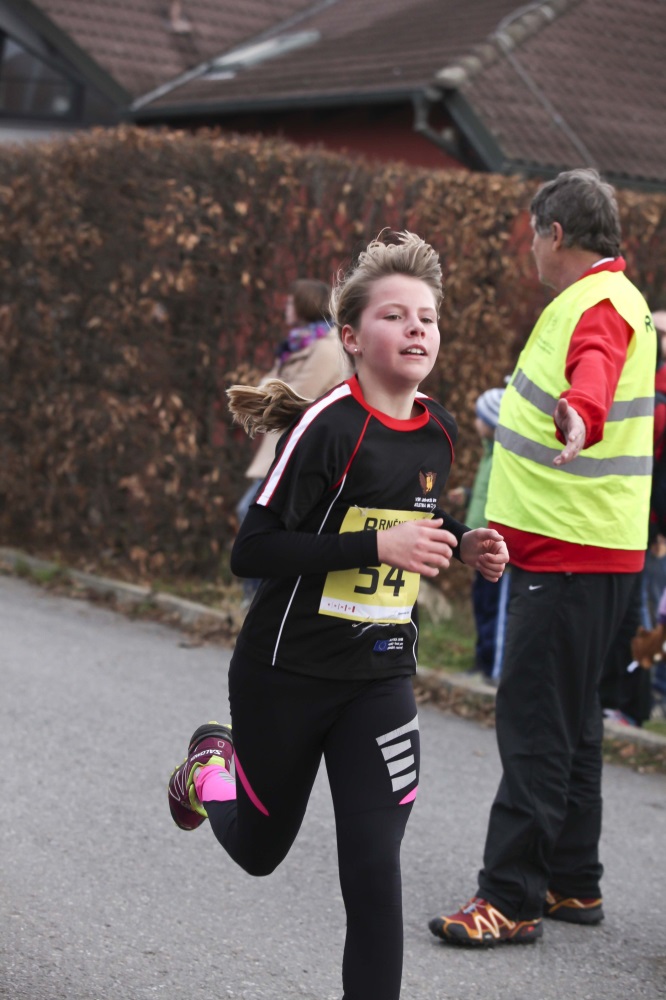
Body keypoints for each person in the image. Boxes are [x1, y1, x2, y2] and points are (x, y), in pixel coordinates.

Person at [167, 231, 509, 1000]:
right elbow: (252, 550)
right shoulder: (328, 426)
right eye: (396, 315)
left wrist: (463, 542)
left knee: (373, 864)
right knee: (259, 850)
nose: (418, 328)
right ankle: (210, 770)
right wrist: (377, 546)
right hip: (286, 672)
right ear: (352, 337)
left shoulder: (440, 430)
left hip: (378, 676)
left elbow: (412, 518)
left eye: (428, 317)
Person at [429, 168, 656, 947]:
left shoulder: (596, 305)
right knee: (575, 723)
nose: (529, 249)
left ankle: (510, 897)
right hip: (596, 549)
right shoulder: (620, 296)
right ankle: (570, 880)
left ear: (556, 233)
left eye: (533, 235)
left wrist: (581, 415)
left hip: (567, 552)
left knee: (534, 724)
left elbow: (594, 371)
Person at [236, 279, 352, 604]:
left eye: (290, 302)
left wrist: (265, 392)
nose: (285, 307)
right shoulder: (297, 346)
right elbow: (265, 391)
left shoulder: (325, 349)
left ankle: (260, 598)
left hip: (299, 451)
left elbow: (293, 395)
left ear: (304, 304)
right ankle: (261, 597)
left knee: (252, 515)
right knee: (259, 519)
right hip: (281, 447)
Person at [447, 387, 508, 682]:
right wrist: (469, 495)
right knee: (481, 603)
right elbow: (486, 495)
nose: (475, 422)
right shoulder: (487, 455)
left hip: (492, 547)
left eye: (480, 417)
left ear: (492, 422)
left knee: (492, 605)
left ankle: (492, 664)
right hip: (478, 546)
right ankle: (482, 658)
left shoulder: (502, 460)